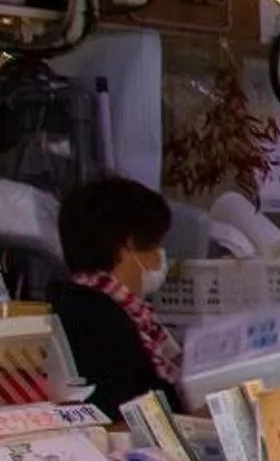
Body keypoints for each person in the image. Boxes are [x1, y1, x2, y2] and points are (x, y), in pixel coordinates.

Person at [50, 176, 182, 418]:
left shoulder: (67, 301)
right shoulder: (108, 321)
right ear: (128, 246)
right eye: (156, 247)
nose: (161, 259)